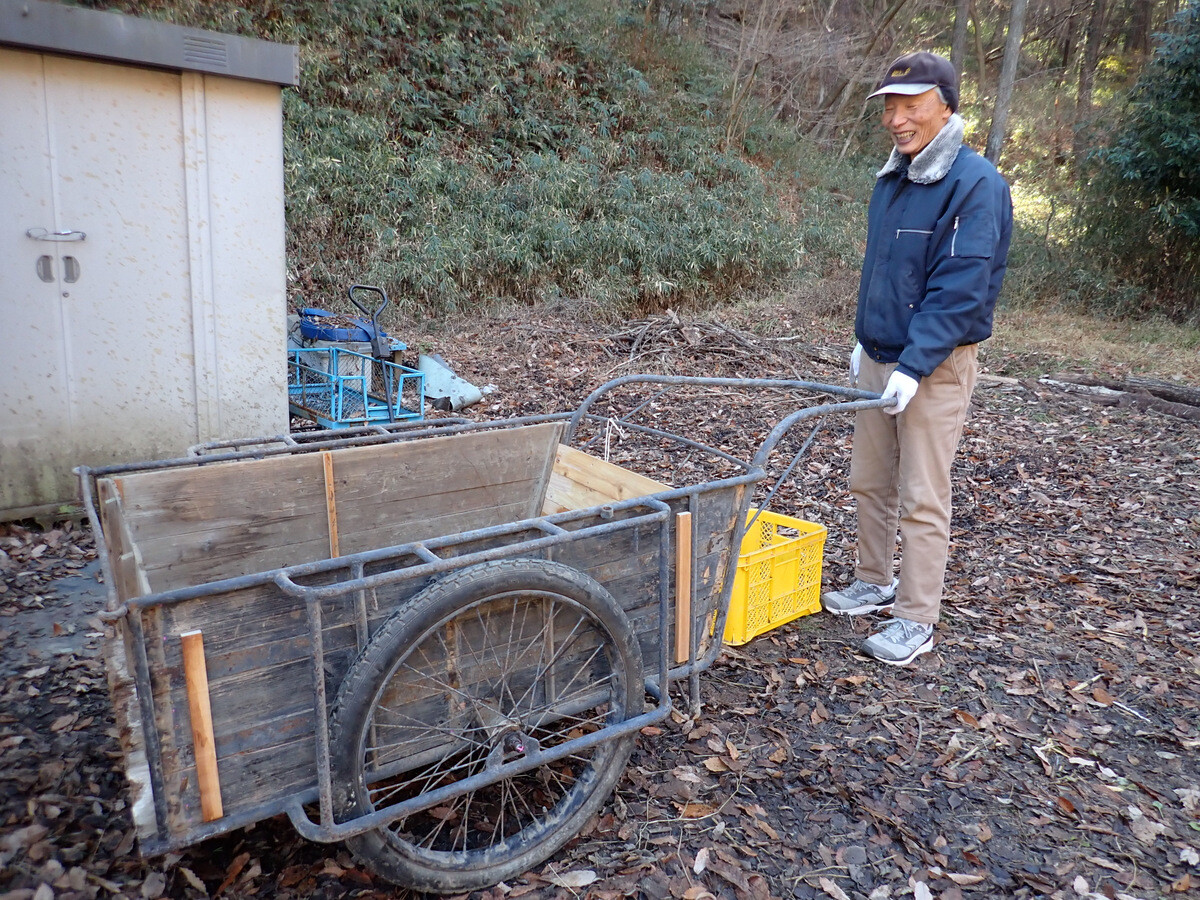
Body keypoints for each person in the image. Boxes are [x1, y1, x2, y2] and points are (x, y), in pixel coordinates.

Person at [820, 51, 1013, 666]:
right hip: (880, 357)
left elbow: (961, 290)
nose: (897, 119)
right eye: (889, 107)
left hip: (935, 366)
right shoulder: (893, 179)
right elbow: (882, 272)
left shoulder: (974, 183)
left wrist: (914, 363)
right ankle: (873, 580)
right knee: (869, 480)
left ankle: (916, 617)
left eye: (911, 106)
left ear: (946, 107)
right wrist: (865, 338)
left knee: (922, 495)